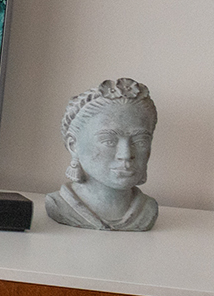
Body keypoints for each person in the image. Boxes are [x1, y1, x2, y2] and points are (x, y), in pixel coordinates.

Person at [44, 78, 159, 231]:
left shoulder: (147, 209)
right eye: (109, 141)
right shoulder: (59, 204)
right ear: (73, 145)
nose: (125, 155)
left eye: (140, 142)